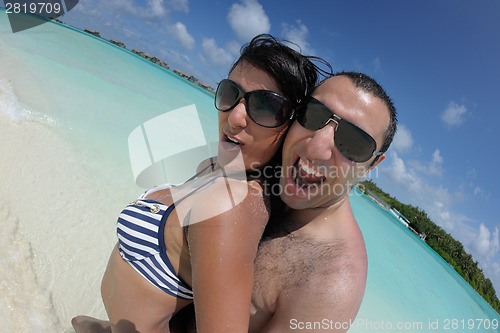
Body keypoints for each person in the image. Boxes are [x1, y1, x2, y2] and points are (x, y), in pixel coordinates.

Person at [71, 34, 328, 333]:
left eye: (265, 107)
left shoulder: (232, 207)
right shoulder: (215, 169)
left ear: (291, 128)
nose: (235, 117)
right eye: (231, 93)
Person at [170, 71, 397, 332]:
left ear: (371, 165)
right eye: (314, 114)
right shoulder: (255, 174)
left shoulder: (329, 280)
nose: (316, 147)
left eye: (354, 142)